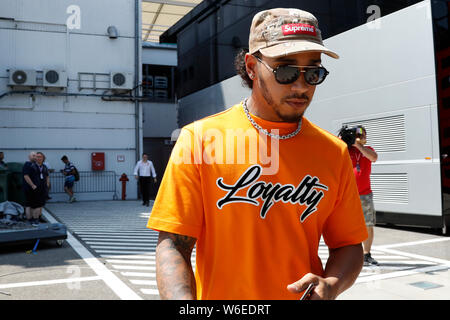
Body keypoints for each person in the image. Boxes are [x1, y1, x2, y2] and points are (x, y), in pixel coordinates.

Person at [147, 8, 368, 300]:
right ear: (251, 66)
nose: (301, 85)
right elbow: (174, 244)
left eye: (313, 72)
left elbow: (348, 244)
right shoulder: (199, 141)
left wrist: (332, 284)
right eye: (286, 70)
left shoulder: (333, 152)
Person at [347, 126, 379, 266]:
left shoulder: (368, 150)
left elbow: (374, 158)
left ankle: (367, 254)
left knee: (368, 225)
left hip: (365, 194)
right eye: (359, 135)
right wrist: (348, 142)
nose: (362, 137)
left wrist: (359, 146)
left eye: (364, 135)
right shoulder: (345, 150)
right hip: (348, 195)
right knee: (348, 226)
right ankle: (350, 255)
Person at [23, 152, 49, 226]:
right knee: (36, 205)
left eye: (40, 157)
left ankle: (37, 218)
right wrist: (32, 185)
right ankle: (34, 220)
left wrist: (47, 184)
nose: (38, 158)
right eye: (37, 157)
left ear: (43, 158)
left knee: (40, 204)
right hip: (35, 188)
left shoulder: (44, 167)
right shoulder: (32, 166)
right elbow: (26, 176)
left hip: (43, 188)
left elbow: (47, 176)